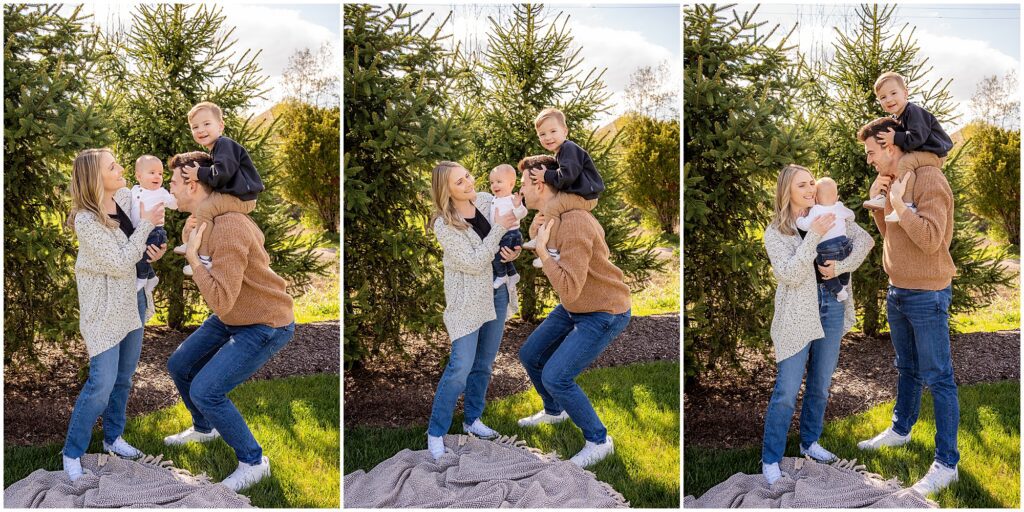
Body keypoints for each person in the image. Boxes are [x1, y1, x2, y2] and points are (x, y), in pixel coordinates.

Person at [164, 151, 294, 492]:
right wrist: (189, 240)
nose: (170, 189)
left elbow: (220, 296)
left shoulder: (229, 226)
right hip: (233, 316)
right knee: (180, 364)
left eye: (174, 183)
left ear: (192, 184)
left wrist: (194, 260)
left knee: (207, 390)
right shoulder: (206, 220)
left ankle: (253, 462)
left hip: (265, 323)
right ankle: (205, 428)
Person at [856, 117, 960, 496]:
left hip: (927, 294)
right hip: (897, 290)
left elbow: (931, 239)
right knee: (907, 367)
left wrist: (899, 202)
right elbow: (893, 237)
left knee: (938, 376)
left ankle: (947, 464)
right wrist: (881, 206)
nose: (869, 159)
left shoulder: (931, 179)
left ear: (890, 145)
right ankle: (901, 430)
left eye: (871, 152)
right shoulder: (893, 179)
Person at [761, 164, 874, 485]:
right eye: (802, 186)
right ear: (787, 192)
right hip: (797, 316)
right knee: (786, 389)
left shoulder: (830, 213)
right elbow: (790, 274)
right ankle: (771, 458)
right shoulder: (777, 232)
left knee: (821, 385)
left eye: (812, 183)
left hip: (832, 308)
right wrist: (813, 237)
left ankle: (809, 442)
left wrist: (840, 266)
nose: (811, 190)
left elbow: (864, 242)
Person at [62, 148, 167, 481]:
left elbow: (136, 251)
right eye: (113, 166)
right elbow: (119, 261)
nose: (121, 168)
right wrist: (146, 225)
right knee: (101, 384)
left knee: (123, 378)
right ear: (96, 177)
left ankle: (113, 437)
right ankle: (72, 451)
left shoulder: (123, 196)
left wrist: (154, 250)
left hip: (132, 299)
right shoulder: (86, 220)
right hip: (104, 311)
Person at [515, 166, 631, 468]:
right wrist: (535, 236)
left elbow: (567, 287)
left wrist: (540, 249)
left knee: (557, 376)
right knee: (530, 354)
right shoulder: (553, 219)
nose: (520, 190)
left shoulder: (575, 223)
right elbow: (554, 256)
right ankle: (555, 411)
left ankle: (598, 440)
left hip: (603, 312)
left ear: (540, 184)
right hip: (577, 305)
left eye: (523, 183)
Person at [426, 161, 521, 461]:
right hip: (467, 303)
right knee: (460, 367)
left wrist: (514, 250)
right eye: (459, 182)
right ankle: (436, 432)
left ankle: (472, 419)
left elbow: (511, 226)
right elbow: (473, 261)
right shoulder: (444, 224)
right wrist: (499, 232)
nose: (468, 183)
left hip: (498, 292)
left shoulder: (484, 200)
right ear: (446, 191)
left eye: (467, 176)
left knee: (484, 364)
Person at [174, 101, 264, 276]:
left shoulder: (224, 145)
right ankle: (193, 242)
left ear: (220, 126)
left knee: (205, 209)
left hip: (241, 196)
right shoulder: (217, 149)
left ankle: (204, 259)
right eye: (195, 127)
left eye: (206, 124)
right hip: (238, 195)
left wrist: (199, 173)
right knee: (205, 208)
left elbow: (222, 173)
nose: (200, 130)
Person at [862, 71, 953, 221]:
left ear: (905, 93)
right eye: (883, 97)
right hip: (921, 152)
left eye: (893, 93)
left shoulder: (913, 112)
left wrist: (895, 137)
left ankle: (907, 204)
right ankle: (882, 197)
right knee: (889, 166)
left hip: (933, 152)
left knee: (905, 162)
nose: (889, 99)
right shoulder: (897, 117)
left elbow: (918, 137)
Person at [522, 108, 602, 267]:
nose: (548, 137)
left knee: (552, 207)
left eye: (553, 131)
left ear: (565, 131)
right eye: (542, 134)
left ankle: (551, 251)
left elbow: (567, 176)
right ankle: (539, 237)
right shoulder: (562, 152)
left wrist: (546, 175)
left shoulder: (569, 149)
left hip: (584, 196)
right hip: (580, 194)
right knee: (549, 208)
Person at [795, 177, 856, 301]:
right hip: (844, 245)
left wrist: (799, 220)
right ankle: (844, 284)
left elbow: (805, 226)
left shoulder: (816, 209)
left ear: (816, 198)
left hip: (827, 249)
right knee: (844, 266)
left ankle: (839, 291)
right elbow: (851, 216)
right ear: (837, 197)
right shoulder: (839, 207)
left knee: (824, 271)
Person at [131, 155, 177, 290]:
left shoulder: (161, 192)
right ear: (139, 177)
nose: (157, 176)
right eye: (152, 173)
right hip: (138, 231)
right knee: (141, 256)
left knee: (142, 256)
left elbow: (174, 204)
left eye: (160, 173)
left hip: (154, 232)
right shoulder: (133, 191)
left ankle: (142, 278)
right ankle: (151, 277)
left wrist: (174, 194)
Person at [487, 164, 528, 289]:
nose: (495, 185)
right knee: (505, 257)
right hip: (503, 235)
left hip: (510, 234)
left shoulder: (512, 200)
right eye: (492, 182)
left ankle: (501, 275)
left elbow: (523, 213)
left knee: (496, 257)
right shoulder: (494, 198)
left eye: (499, 181)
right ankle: (513, 274)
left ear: (511, 184)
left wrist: (517, 206)